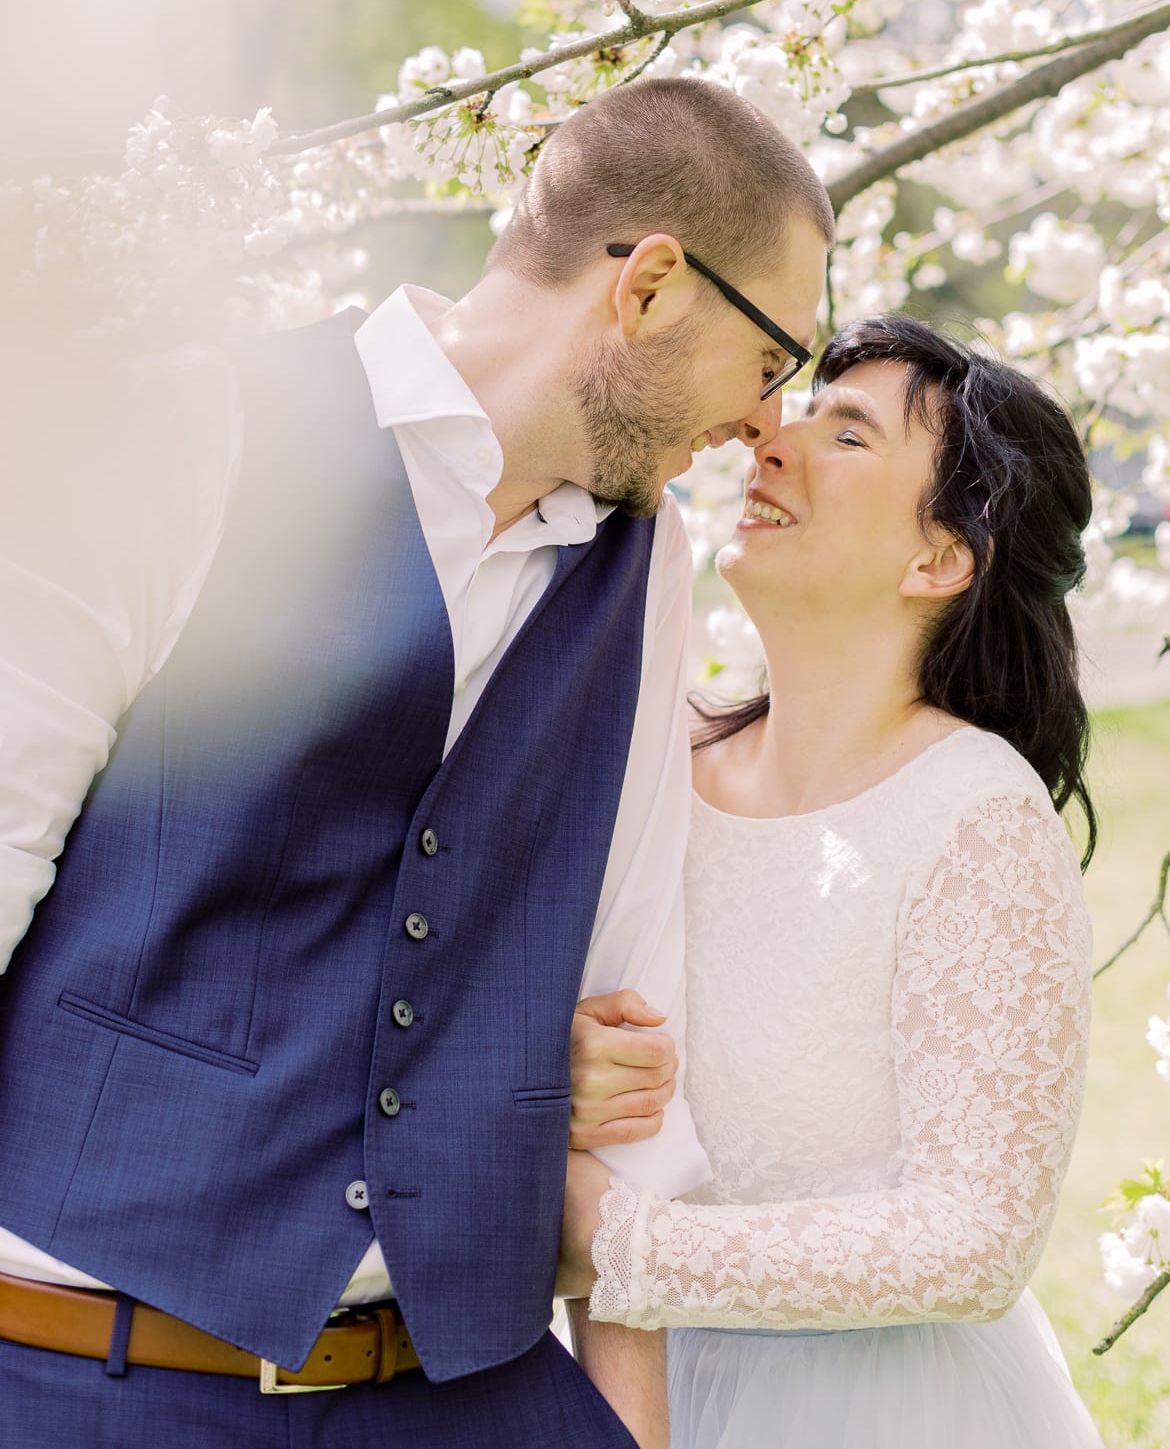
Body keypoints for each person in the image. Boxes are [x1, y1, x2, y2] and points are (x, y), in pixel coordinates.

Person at [0, 75, 831, 1448]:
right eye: (770, 361)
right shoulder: (186, 431)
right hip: (86, 1367)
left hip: (461, 1389)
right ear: (651, 287)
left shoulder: (646, 566)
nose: (763, 425)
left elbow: (628, 1021)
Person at [560, 315, 1105, 1448]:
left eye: (846, 435)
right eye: (799, 410)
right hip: (627, 1392)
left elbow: (976, 1238)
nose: (770, 440)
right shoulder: (649, 755)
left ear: (940, 559)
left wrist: (625, 1245)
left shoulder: (973, 819)